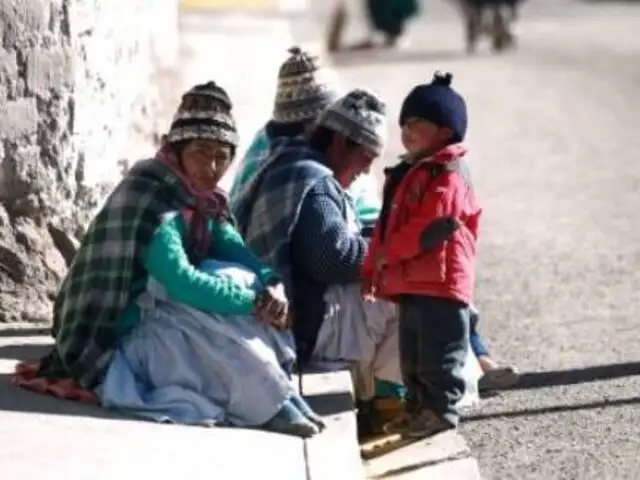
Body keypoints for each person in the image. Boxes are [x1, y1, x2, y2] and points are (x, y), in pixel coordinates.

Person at [16, 81, 322, 438]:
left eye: (222, 156)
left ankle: (275, 395)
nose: (211, 166)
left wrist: (272, 285)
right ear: (176, 151)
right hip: (117, 332)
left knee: (237, 276)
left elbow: (240, 253)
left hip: (160, 312)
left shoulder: (203, 201)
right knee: (199, 324)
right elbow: (181, 281)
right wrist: (255, 303)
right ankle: (268, 404)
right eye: (200, 152)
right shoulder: (151, 199)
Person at [233, 89, 406, 436]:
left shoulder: (293, 163)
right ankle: (387, 404)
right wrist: (395, 248)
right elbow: (332, 257)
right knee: (411, 294)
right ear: (342, 142)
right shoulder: (314, 182)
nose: (366, 170)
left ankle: (383, 397)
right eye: (366, 157)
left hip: (295, 314)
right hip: (301, 326)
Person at [363, 71, 480, 438]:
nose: (407, 131)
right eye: (404, 124)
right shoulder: (413, 171)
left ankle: (440, 410)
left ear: (445, 132)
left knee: (438, 354)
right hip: (413, 280)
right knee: (410, 357)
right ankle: (417, 409)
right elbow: (387, 226)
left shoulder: (448, 173)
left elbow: (433, 225)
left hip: (440, 283)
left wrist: (389, 255)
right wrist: (374, 267)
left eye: (417, 124)